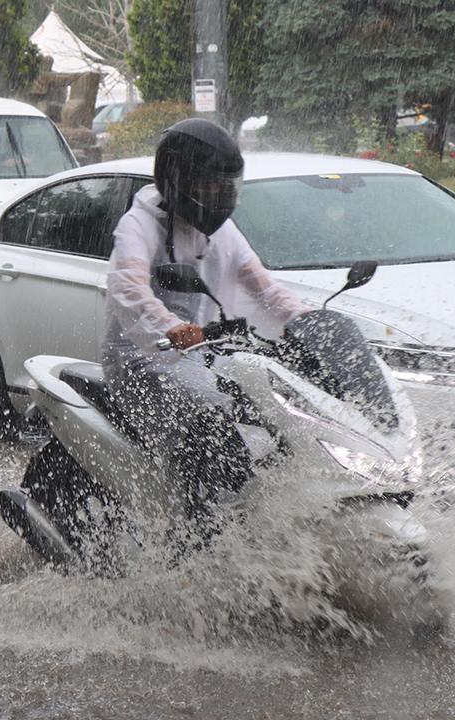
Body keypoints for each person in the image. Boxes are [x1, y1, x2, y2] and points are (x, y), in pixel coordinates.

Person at [102, 118, 310, 530]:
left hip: (201, 359)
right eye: (209, 186)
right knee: (216, 429)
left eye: (226, 187)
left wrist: (307, 321)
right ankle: (198, 530)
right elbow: (129, 288)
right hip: (142, 362)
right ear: (178, 180)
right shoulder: (139, 225)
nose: (219, 197)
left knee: (272, 417)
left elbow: (264, 286)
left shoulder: (223, 232)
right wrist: (170, 326)